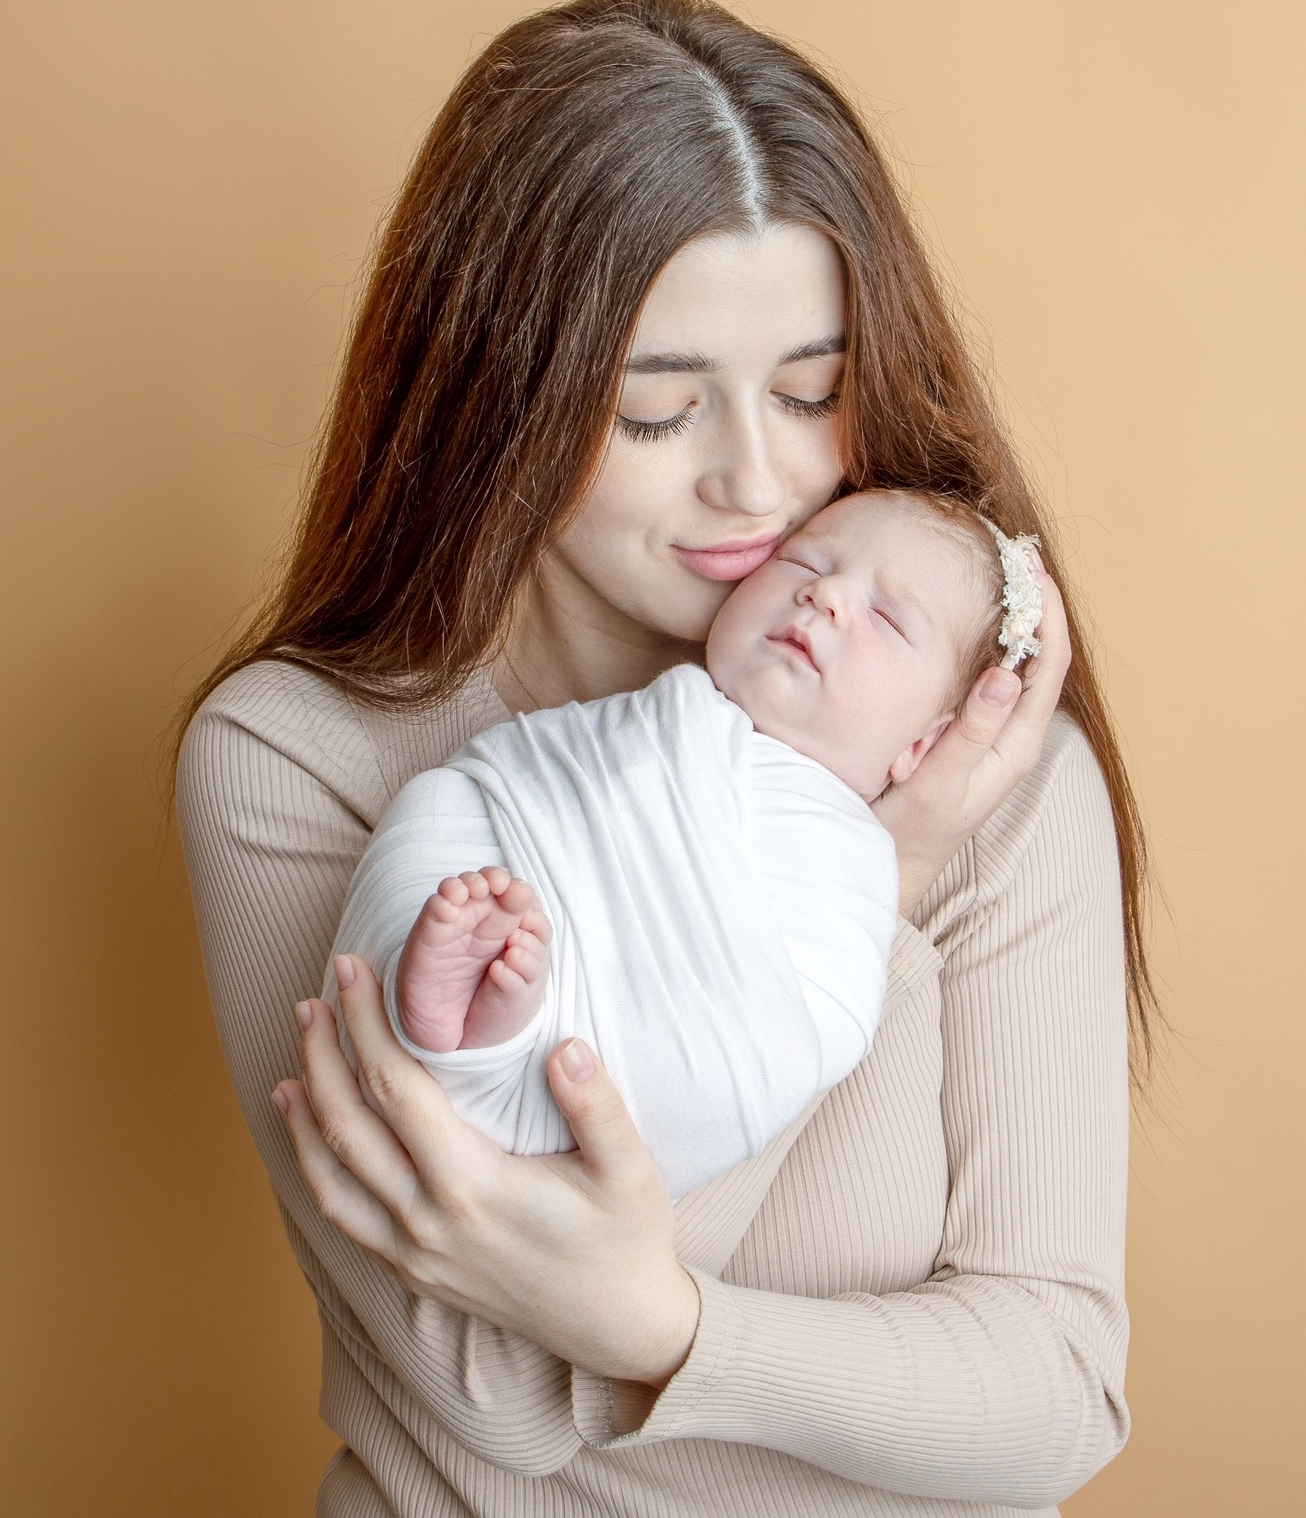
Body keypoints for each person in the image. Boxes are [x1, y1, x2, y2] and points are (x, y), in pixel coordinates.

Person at [176, 0, 1150, 1516]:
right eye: (654, 412)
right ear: (498, 398)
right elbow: (491, 1396)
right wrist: (871, 887)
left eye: (813, 391)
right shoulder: (304, 762)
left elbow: (1053, 1403)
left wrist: (670, 1330)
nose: (757, 479)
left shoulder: (969, 764)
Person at [354, 490, 1044, 1203]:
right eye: (802, 558)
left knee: (731, 1063)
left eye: (890, 618)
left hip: (633, 1045)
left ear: (923, 744)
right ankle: (477, 1012)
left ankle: (495, 1034)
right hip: (528, 877)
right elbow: (543, 779)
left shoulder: (856, 854)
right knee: (439, 806)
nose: (827, 591)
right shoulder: (669, 709)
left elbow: (818, 1027)